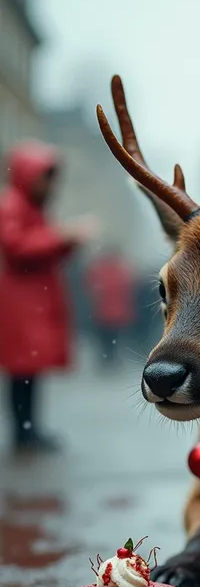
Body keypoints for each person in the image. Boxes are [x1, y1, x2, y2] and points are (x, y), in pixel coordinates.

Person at [0, 140, 97, 453]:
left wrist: (66, 242)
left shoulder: (29, 208)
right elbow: (17, 247)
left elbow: (40, 249)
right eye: (45, 177)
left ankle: (29, 429)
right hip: (20, 305)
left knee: (29, 371)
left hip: (29, 302)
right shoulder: (11, 205)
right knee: (22, 372)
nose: (50, 185)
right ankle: (24, 433)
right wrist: (63, 236)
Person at [84, 248, 136, 367]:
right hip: (116, 312)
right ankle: (111, 356)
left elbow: (90, 288)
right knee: (113, 336)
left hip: (102, 311)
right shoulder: (120, 271)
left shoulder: (99, 271)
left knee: (105, 336)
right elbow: (128, 290)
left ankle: (107, 356)